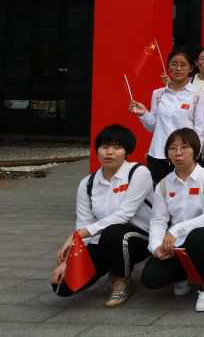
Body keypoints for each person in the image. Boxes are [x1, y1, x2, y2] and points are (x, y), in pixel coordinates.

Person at [50, 124, 152, 307]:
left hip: (141, 238)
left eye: (117, 148)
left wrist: (79, 235)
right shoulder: (87, 183)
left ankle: (122, 280)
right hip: (104, 240)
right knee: (62, 286)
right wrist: (70, 260)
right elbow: (83, 223)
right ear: (97, 150)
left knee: (114, 233)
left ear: (127, 152)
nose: (109, 152)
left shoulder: (138, 173)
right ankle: (114, 265)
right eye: (104, 147)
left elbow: (124, 215)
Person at [141, 128, 204, 312]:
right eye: (173, 148)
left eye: (184, 147)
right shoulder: (163, 184)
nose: (178, 152)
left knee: (198, 237)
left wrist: (176, 230)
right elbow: (158, 221)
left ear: (196, 151)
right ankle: (183, 275)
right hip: (178, 244)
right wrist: (155, 247)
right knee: (151, 278)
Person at [129, 46, 204, 184]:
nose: (178, 68)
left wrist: (195, 154)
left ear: (191, 68)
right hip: (158, 154)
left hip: (184, 156)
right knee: (159, 194)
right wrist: (143, 114)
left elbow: (200, 130)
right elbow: (153, 126)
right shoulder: (158, 93)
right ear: (168, 67)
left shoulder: (198, 94)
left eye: (183, 65)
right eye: (174, 64)